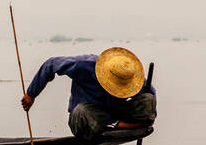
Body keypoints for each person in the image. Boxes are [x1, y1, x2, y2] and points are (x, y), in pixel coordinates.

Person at [21, 47, 155, 140]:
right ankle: (118, 125)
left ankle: (116, 124)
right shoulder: (83, 65)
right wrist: (31, 94)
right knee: (80, 112)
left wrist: (149, 115)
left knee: (148, 99)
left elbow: (149, 93)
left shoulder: (130, 76)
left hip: (115, 112)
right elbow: (50, 64)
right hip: (88, 117)